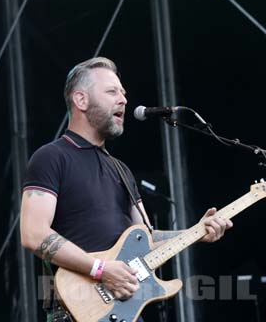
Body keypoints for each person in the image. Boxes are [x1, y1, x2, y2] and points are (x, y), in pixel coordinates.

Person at [19, 57, 232, 321]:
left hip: (123, 310)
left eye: (123, 92)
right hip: (77, 310)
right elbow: (33, 234)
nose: (123, 99)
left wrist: (196, 232)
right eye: (112, 92)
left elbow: (146, 239)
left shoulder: (121, 170)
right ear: (81, 100)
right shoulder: (51, 157)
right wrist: (101, 269)